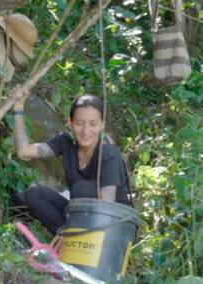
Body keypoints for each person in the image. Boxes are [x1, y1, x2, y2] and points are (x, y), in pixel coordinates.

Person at [12, 88, 131, 248]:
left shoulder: (108, 155)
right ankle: (68, 242)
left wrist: (72, 230)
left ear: (102, 125)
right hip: (82, 216)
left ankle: (71, 239)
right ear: (71, 122)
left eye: (93, 124)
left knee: (82, 189)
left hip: (113, 227)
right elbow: (23, 151)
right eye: (80, 123)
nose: (86, 131)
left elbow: (105, 207)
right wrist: (18, 108)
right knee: (35, 193)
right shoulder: (66, 143)